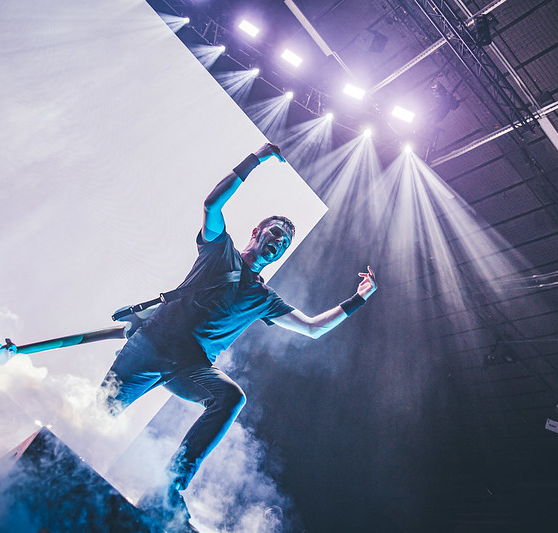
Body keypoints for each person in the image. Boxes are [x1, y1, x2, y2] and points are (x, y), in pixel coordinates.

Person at [98, 143, 377, 530]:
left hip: (190, 366)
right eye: (276, 233)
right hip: (150, 346)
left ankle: (168, 487)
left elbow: (313, 328)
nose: (279, 243)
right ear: (256, 231)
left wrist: (358, 300)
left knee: (230, 397)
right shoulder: (220, 251)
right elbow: (212, 205)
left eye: (285, 244)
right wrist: (257, 159)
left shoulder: (263, 298)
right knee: (97, 417)